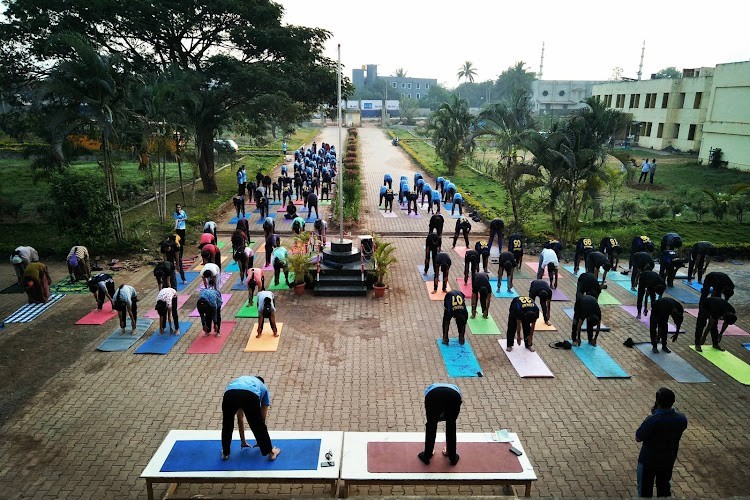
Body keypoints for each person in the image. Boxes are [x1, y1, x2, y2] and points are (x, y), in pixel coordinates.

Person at [635, 388, 688, 498]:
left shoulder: (653, 420)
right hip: (668, 460)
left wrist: (653, 415)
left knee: (645, 492)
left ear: (657, 401)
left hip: (648, 461)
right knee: (664, 490)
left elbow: (638, 437)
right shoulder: (681, 419)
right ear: (673, 402)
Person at [221, 375, 281, 461]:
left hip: (230, 394)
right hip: (249, 395)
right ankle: (271, 453)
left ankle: (225, 453)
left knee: (227, 424)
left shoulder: (242, 379)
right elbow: (262, 418)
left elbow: (240, 418)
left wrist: (243, 441)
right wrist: (260, 440)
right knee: (258, 424)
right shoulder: (263, 387)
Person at [417, 382, 462, 466]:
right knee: (451, 425)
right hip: (454, 396)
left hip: (433, 396)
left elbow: (428, 400)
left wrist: (436, 416)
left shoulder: (430, 389)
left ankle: (427, 455)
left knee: (431, 425)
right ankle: (452, 457)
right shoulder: (456, 389)